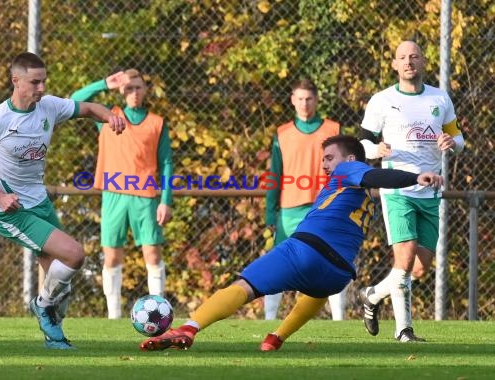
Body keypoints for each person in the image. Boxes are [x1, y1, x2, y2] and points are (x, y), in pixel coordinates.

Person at [138, 135, 443, 352]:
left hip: (305, 249)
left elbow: (378, 175)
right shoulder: (362, 196)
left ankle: (188, 329)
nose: (324, 165)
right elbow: (376, 181)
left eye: (329, 158)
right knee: (315, 293)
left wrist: (417, 176)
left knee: (243, 287)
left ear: (349, 159)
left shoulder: (349, 170)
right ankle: (276, 338)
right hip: (338, 274)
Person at [0, 52, 127, 349]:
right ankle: (40, 304)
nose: (41, 88)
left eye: (43, 81)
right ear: (16, 81)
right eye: (35, 82)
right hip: (10, 211)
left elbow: (87, 108)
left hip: (38, 203)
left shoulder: (48, 106)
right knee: (74, 255)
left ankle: (55, 339)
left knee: (61, 288)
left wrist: (110, 115)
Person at [358, 40, 464, 342]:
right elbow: (361, 142)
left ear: (423, 61)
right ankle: (404, 330)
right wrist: (374, 148)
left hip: (430, 192)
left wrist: (451, 143)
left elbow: (458, 138)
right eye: (402, 57)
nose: (408, 62)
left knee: (418, 269)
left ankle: (373, 295)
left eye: (414, 56)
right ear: (394, 64)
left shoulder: (439, 98)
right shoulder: (381, 100)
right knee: (403, 262)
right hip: (397, 189)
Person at [71, 69, 173, 319]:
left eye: (138, 87)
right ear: (121, 91)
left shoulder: (156, 123)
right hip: (114, 196)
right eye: (129, 88)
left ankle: (157, 311)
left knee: (152, 253)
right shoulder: (109, 117)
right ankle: (113, 315)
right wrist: (105, 83)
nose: (134, 93)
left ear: (146, 90)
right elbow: (75, 100)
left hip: (146, 197)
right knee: (112, 256)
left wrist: (166, 200)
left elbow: (167, 163)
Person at [263, 77, 344, 321]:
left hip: (324, 209)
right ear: (292, 101)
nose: (304, 104)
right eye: (300, 99)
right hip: (289, 209)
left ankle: (339, 321)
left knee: (332, 261)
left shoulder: (333, 130)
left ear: (316, 100)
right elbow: (274, 174)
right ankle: (269, 319)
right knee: (278, 264)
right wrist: (270, 211)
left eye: (309, 99)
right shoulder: (283, 133)